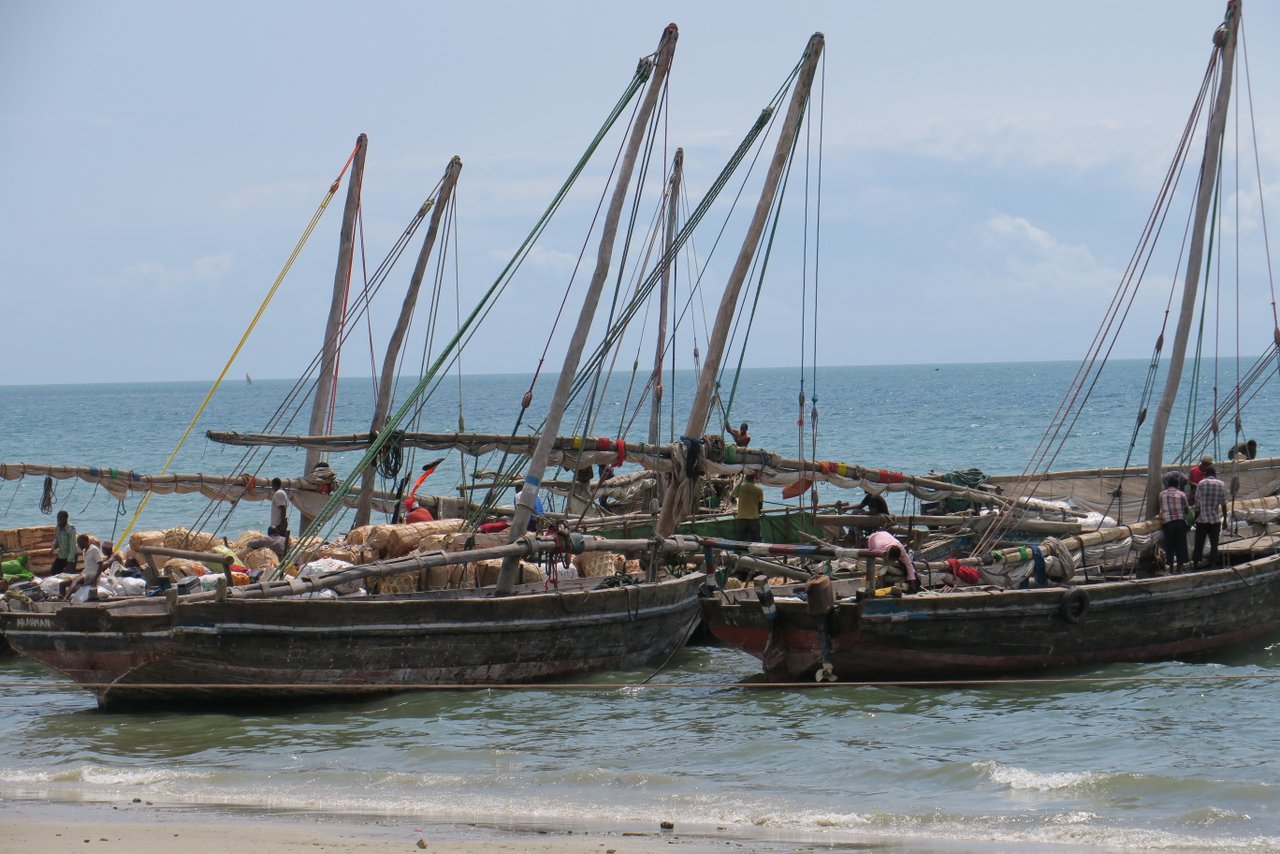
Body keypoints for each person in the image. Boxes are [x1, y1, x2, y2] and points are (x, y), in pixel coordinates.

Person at [1192, 463, 1228, 569]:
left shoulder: (1201, 484)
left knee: (1199, 543)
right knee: (1214, 544)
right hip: (1215, 519)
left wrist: (1194, 518)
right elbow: (1223, 504)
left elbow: (1197, 504)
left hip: (1202, 519)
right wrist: (1225, 520)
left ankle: (1195, 564)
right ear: (1215, 474)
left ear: (1205, 474)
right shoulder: (1221, 484)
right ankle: (1212, 564)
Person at [1157, 471, 1190, 573]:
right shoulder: (1181, 494)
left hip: (1168, 523)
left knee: (1169, 545)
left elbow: (1161, 507)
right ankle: (1179, 568)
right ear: (1178, 485)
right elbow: (1187, 510)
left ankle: (1171, 568)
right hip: (1180, 522)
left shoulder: (1161, 494)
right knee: (1180, 545)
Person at [731, 471, 764, 542]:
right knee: (757, 539)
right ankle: (759, 553)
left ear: (745, 477)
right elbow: (760, 505)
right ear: (754, 478)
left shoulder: (740, 486)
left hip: (741, 518)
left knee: (740, 539)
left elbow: (732, 498)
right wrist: (757, 512)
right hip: (754, 519)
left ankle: (738, 552)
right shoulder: (759, 489)